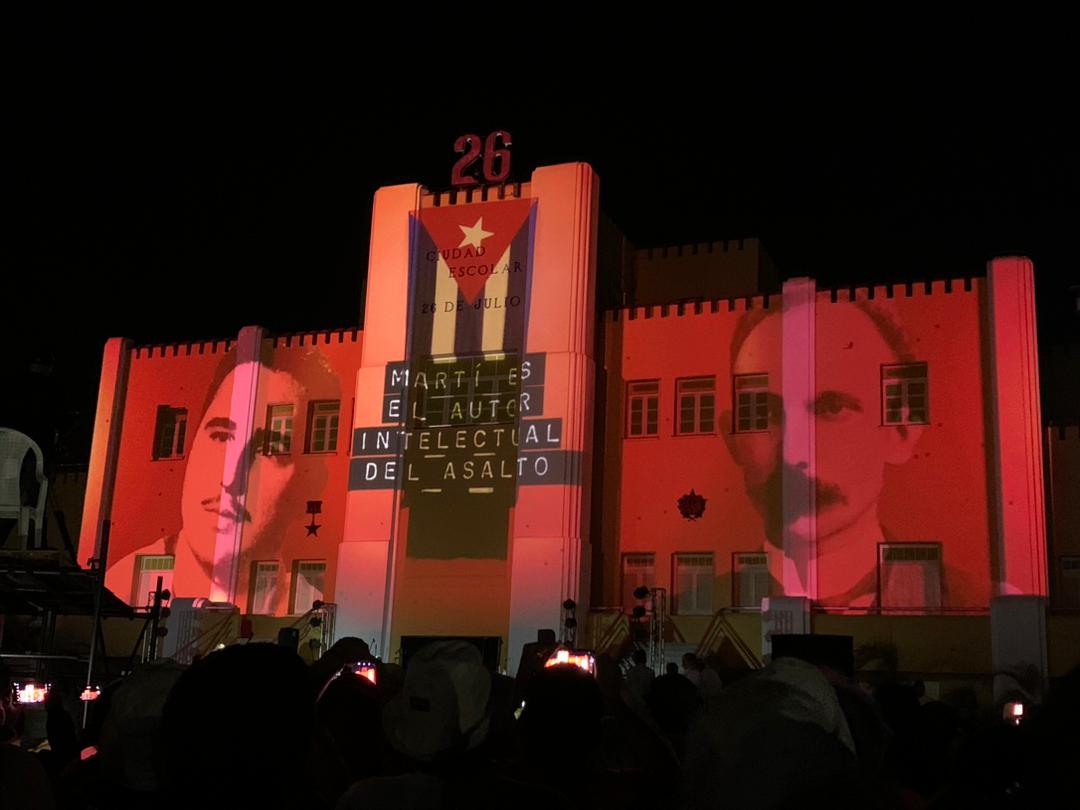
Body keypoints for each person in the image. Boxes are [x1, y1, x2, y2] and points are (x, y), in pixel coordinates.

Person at [722, 299, 925, 607]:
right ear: (732, 437)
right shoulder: (696, 604)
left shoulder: (978, 599)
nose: (792, 452)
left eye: (832, 408)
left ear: (901, 431)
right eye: (764, 413)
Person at [108, 348, 336, 610]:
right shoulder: (116, 590)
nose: (232, 478)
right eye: (221, 436)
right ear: (191, 445)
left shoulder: (311, 607)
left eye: (269, 450)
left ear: (309, 483)